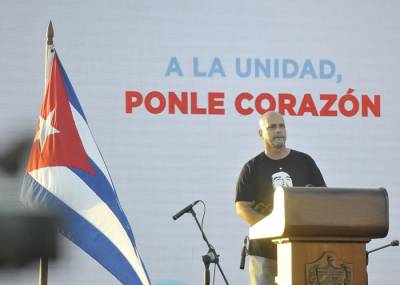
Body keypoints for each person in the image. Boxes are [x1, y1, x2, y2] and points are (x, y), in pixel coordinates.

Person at [235, 111, 326, 285]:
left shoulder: (305, 161)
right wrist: (273, 226)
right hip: (263, 252)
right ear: (261, 133)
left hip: (300, 249)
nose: (278, 130)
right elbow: (242, 207)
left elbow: (322, 198)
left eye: (281, 126)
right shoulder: (252, 167)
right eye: (272, 127)